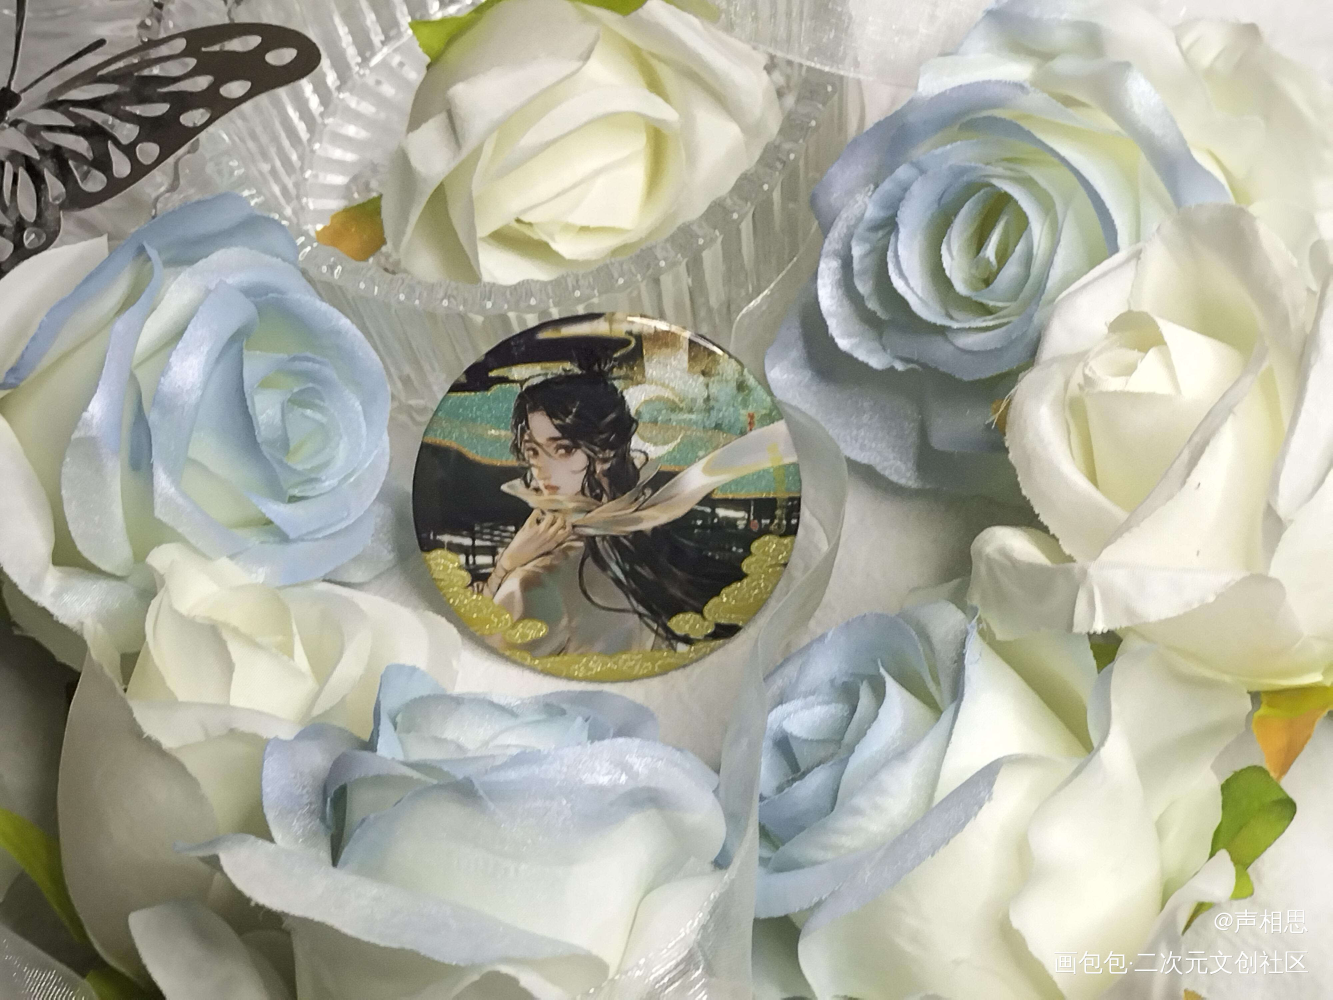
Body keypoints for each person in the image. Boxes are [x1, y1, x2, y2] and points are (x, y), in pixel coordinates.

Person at [479, 368, 758, 657]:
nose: (542, 469)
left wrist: (504, 569)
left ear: (604, 452)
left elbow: (481, 663)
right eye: (533, 451)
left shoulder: (532, 584)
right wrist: (506, 565)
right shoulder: (641, 542)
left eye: (563, 449)